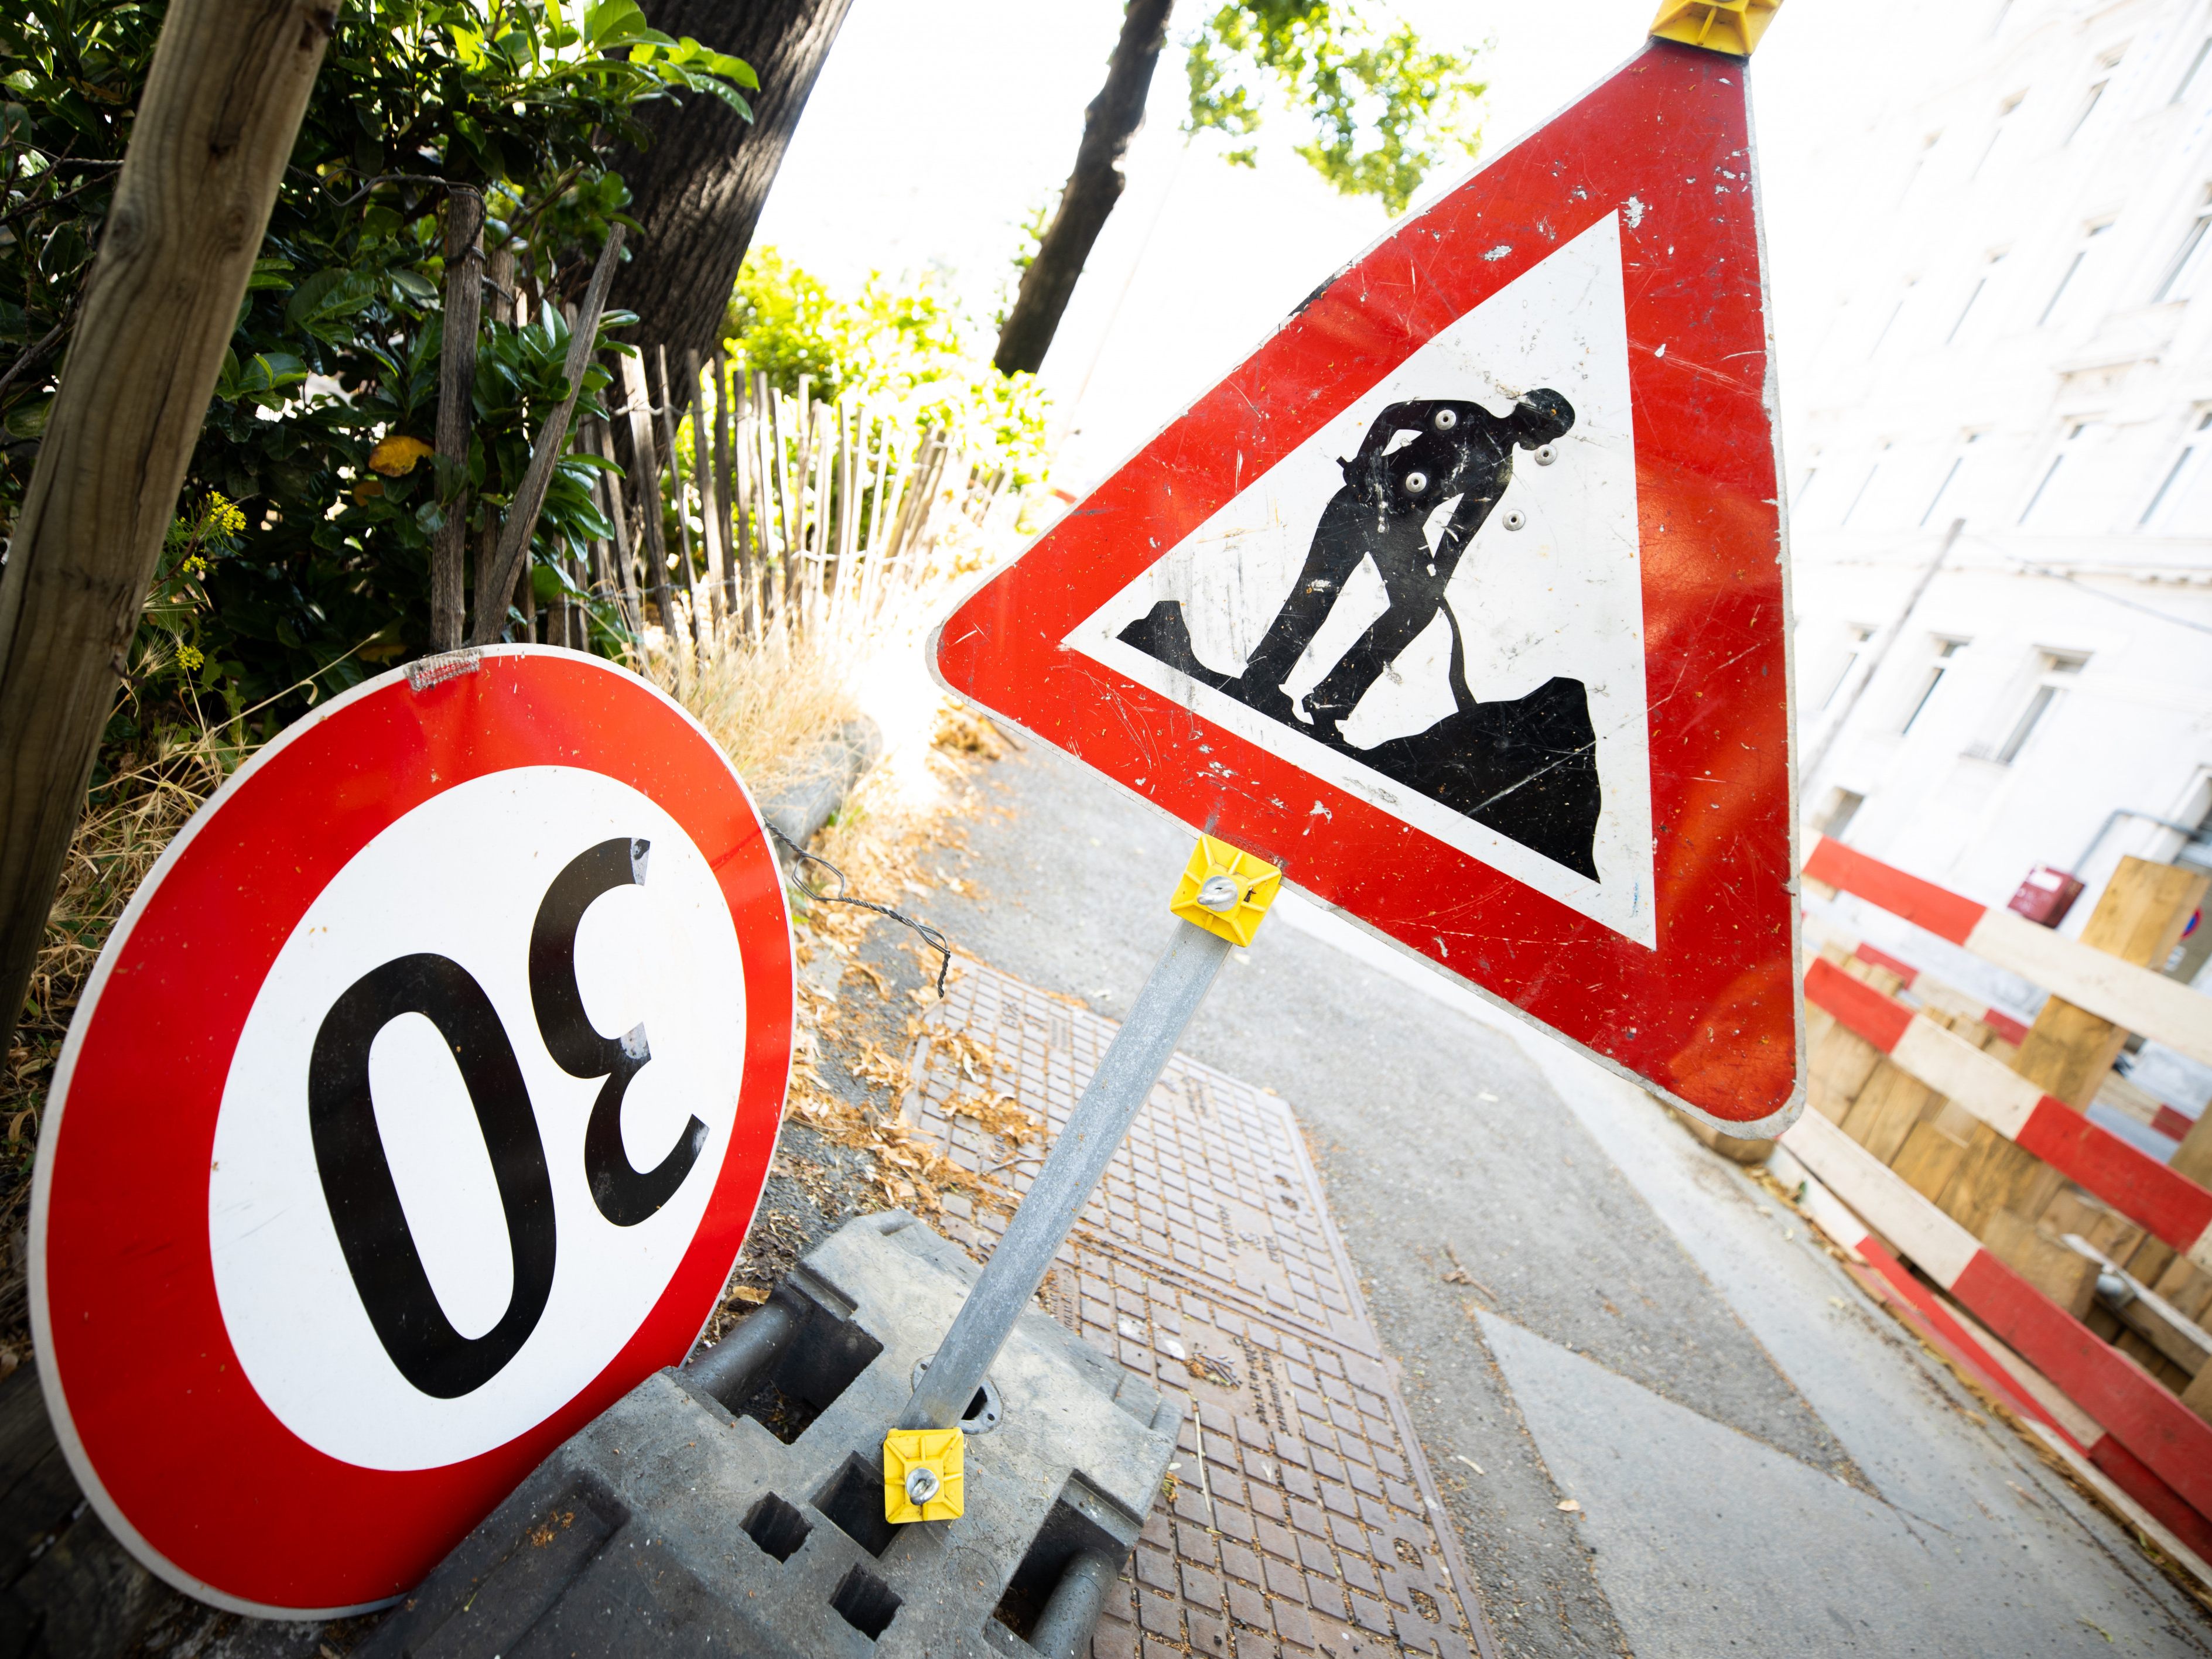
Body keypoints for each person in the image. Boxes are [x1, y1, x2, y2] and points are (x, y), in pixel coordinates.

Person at [1234, 389, 1575, 739]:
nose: (1547, 439)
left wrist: (1436, 581)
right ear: (1537, 421)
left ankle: (1329, 702)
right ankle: (1260, 681)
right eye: (1550, 431)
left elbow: (1459, 533)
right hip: (1362, 500)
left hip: (1401, 528)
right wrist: (1366, 464)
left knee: (1416, 607)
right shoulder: (1471, 416)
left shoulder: (1499, 471)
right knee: (1319, 589)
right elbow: (1394, 415)